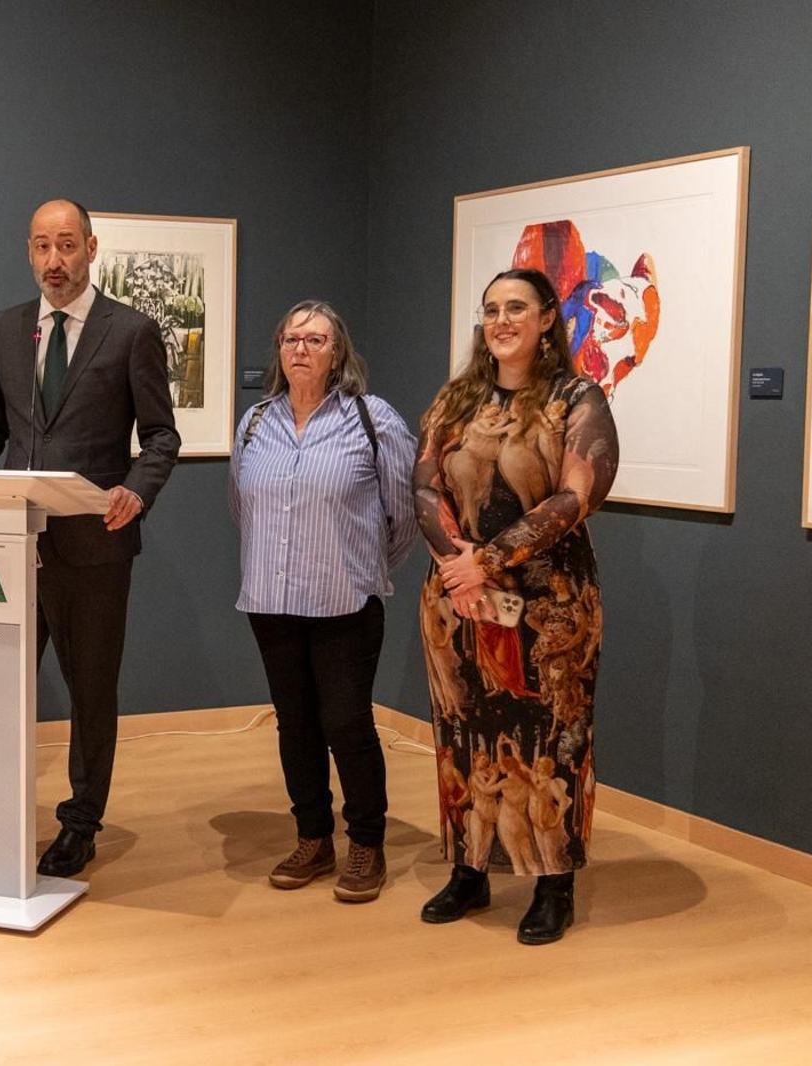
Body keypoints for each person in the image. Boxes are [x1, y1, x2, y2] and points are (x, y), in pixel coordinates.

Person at [0, 198, 180, 878]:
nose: (54, 261)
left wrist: (136, 490)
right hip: (9, 547)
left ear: (91, 247)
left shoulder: (132, 331)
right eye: (41, 247)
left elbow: (162, 436)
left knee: (89, 691)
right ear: (29, 252)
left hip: (94, 548)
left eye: (66, 246)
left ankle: (80, 822)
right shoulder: (6, 329)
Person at [413, 267, 618, 944]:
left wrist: (489, 560)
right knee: (463, 737)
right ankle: (469, 871)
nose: (502, 321)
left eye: (517, 308)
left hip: (549, 607)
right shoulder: (456, 398)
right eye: (492, 309)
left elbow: (578, 494)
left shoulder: (575, 396)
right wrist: (457, 564)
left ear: (547, 319)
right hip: (458, 604)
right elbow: (422, 486)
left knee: (552, 740)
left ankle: (553, 883)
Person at [228, 300, 416, 902]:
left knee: (347, 725)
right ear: (279, 350)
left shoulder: (373, 419)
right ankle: (313, 835)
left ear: (339, 353)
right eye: (291, 339)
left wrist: (359, 568)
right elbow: (243, 507)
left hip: (345, 604)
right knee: (295, 724)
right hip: (270, 600)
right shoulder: (256, 421)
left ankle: (366, 841)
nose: (301, 349)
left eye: (315, 339)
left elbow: (403, 514)